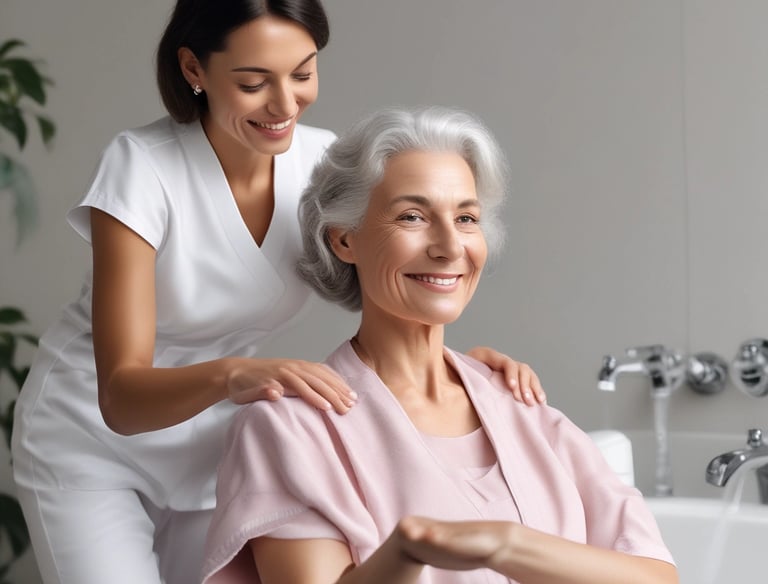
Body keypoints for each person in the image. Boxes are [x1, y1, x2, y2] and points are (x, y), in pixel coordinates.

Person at [10, 3, 545, 584]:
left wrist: (461, 372)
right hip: (92, 437)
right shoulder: (143, 169)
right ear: (194, 68)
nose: (285, 104)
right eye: (253, 82)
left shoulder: (320, 162)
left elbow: (393, 281)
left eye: (303, 73)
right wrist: (234, 375)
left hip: (218, 444)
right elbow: (121, 396)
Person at [201, 106, 679, 584]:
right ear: (344, 240)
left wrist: (506, 545)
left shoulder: (517, 400)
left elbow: (657, 577)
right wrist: (405, 553)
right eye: (413, 216)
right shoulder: (289, 430)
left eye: (467, 218)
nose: (450, 246)